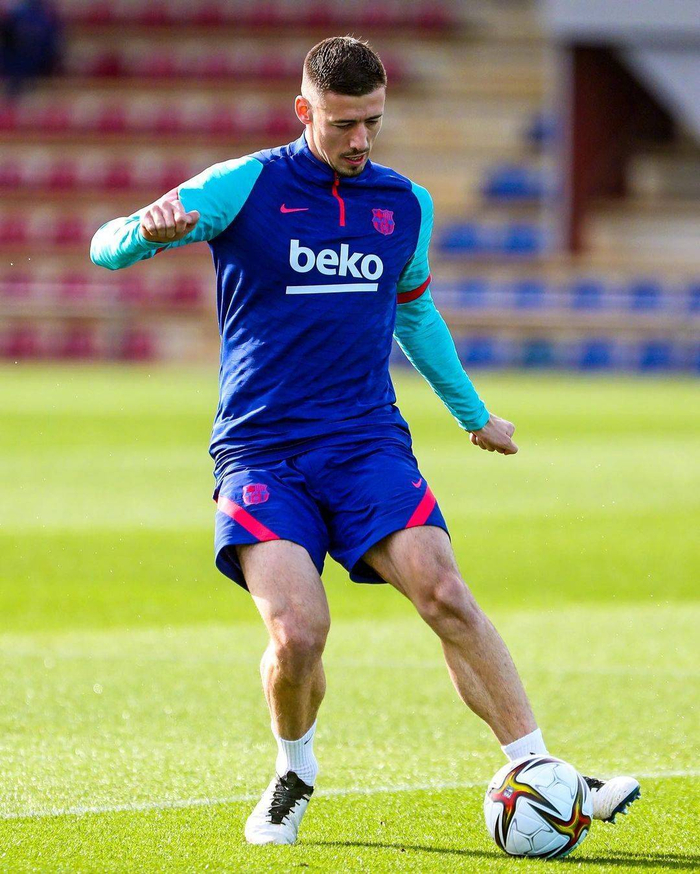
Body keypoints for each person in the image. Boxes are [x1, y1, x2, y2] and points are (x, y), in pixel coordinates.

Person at [90, 36, 640, 846]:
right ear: (303, 111)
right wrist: (144, 232)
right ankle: (293, 771)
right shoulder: (243, 186)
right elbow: (105, 244)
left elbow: (415, 313)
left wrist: (472, 414)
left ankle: (543, 771)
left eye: (373, 122)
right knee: (298, 633)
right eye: (344, 123)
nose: (360, 139)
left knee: (444, 591)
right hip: (262, 450)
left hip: (365, 443)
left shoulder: (404, 203)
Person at [0, 0, 62, 97]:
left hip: (38, 71)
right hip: (15, 71)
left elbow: (52, 47)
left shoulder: (45, 17)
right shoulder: (14, 16)